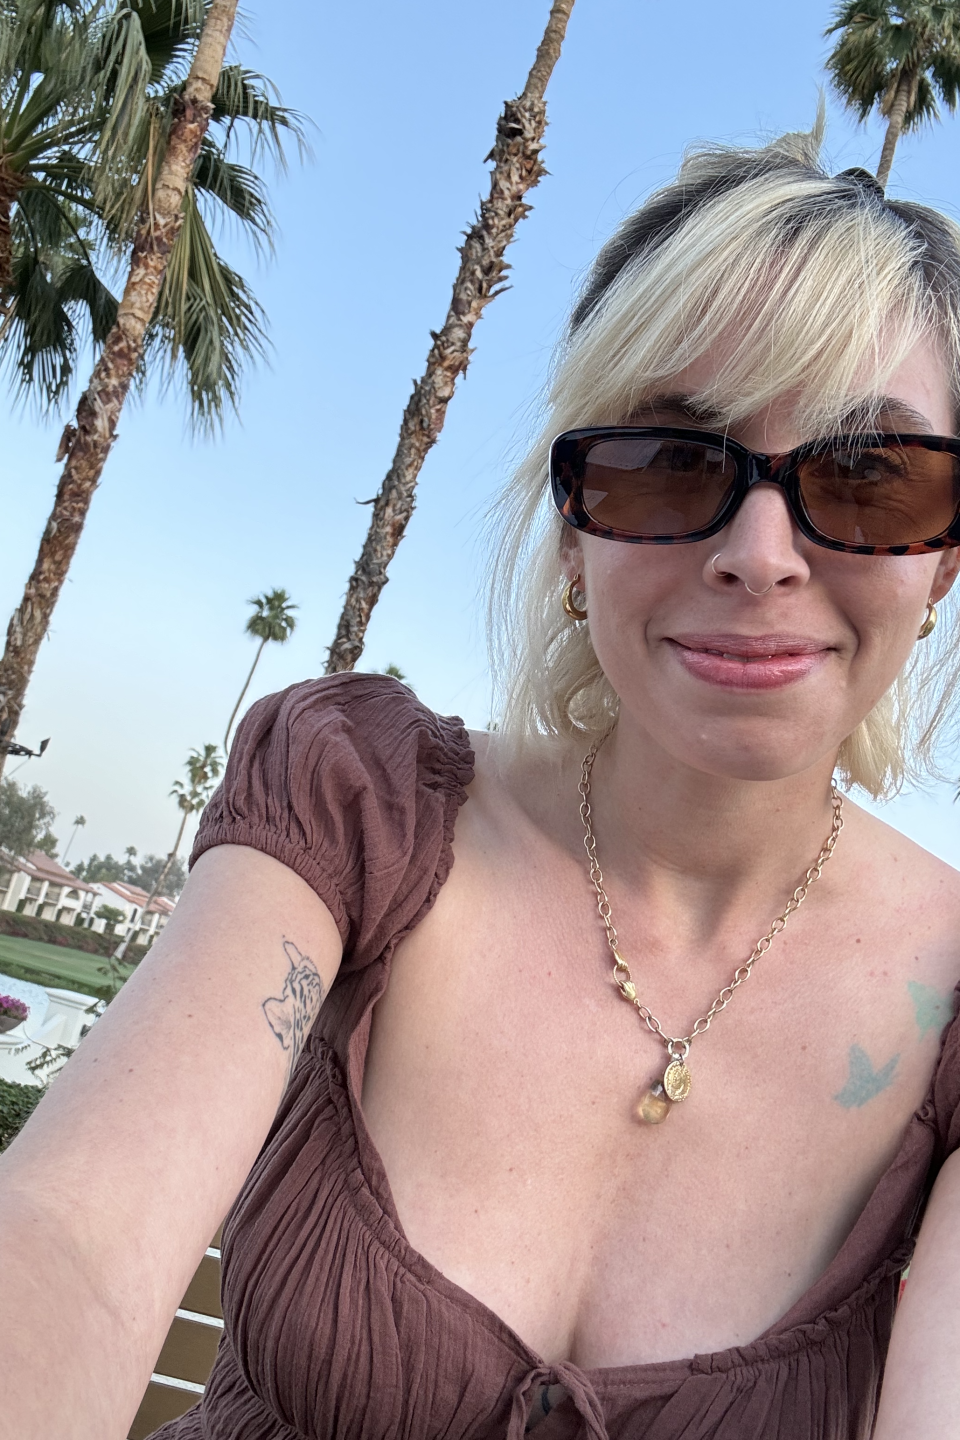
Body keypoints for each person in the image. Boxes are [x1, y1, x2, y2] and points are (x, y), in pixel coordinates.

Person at [3, 124, 960, 1440]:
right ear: (576, 529)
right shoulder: (360, 807)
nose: (761, 552)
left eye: (867, 477)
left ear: (943, 558)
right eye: (670, 459)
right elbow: (69, 1244)